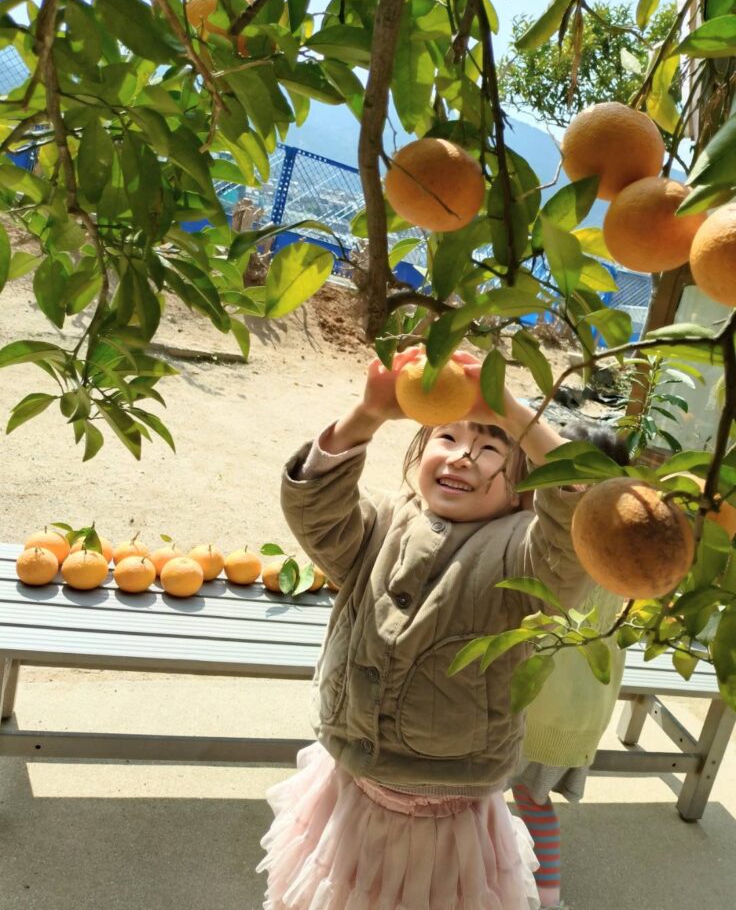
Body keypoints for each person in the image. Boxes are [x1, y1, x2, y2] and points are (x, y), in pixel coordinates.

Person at [257, 348, 601, 910]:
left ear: (524, 488)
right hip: (349, 786)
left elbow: (578, 525)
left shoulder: (522, 557)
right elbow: (315, 508)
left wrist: (518, 417)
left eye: (490, 449)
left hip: (446, 823)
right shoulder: (382, 522)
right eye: (446, 437)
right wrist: (367, 414)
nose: (463, 456)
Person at [510, 421, 630, 910]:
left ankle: (486, 878)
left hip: (528, 714)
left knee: (478, 796)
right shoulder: (626, 558)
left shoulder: (555, 556)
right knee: (533, 801)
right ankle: (548, 897)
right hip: (579, 716)